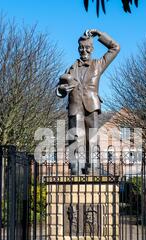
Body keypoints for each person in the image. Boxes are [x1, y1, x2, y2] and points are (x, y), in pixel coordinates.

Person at [56, 29, 120, 175]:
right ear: (78, 49)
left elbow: (115, 47)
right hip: (75, 106)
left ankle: (93, 167)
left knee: (92, 137)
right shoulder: (70, 69)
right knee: (75, 137)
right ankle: (75, 169)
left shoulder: (98, 64)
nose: (83, 51)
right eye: (81, 48)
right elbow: (58, 89)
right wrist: (63, 88)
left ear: (92, 49)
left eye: (87, 48)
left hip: (92, 105)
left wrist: (99, 34)